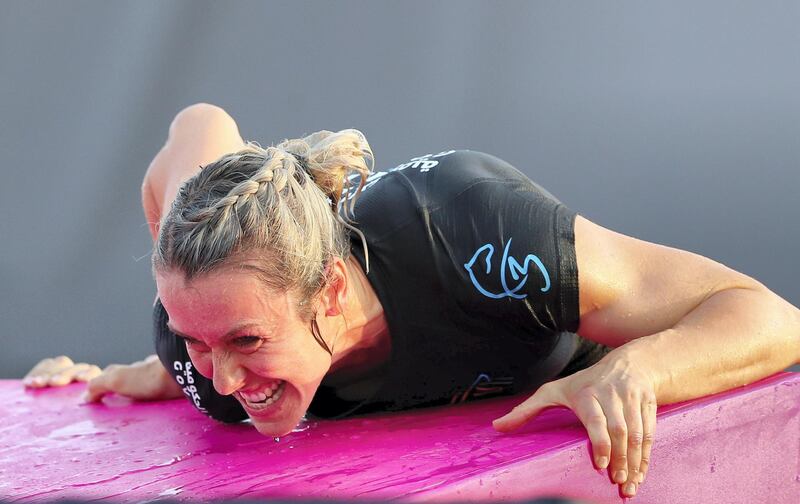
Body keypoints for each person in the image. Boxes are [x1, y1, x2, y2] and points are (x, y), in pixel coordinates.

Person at [24, 104, 800, 499]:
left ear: (328, 293)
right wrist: (178, 355)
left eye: (246, 342)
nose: (223, 379)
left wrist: (642, 372)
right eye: (200, 344)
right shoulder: (198, 357)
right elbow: (196, 125)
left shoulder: (478, 236)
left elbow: (764, 312)